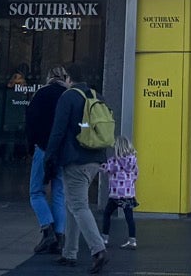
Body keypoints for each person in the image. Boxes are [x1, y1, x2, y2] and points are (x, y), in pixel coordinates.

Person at [45, 72, 111, 272]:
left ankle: (98, 249)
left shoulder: (68, 97)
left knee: (79, 205)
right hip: (95, 158)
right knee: (71, 204)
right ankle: (69, 253)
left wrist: (49, 156)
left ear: (68, 78)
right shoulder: (96, 96)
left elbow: (58, 130)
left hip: (75, 160)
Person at [27, 67, 71, 255]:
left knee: (36, 192)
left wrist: (31, 147)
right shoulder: (68, 96)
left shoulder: (40, 95)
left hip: (43, 149)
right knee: (59, 194)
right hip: (63, 152)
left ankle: (47, 231)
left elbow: (30, 122)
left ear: (48, 77)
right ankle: (60, 238)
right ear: (64, 78)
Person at [100, 136, 140, 249]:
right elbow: (136, 174)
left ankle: (104, 238)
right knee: (129, 218)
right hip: (128, 194)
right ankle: (132, 240)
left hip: (115, 194)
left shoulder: (114, 161)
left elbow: (106, 169)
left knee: (107, 214)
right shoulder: (132, 161)